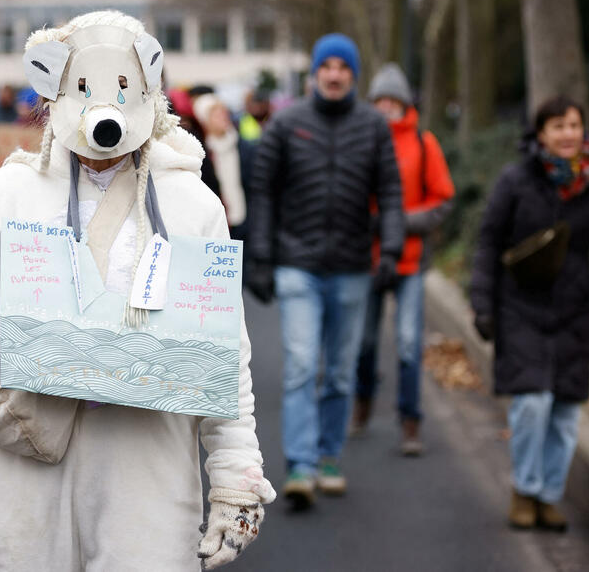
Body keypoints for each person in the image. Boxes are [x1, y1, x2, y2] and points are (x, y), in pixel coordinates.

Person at [0, 11, 275, 569]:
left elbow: (223, 356)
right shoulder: (6, 194)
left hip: (146, 463)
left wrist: (237, 481)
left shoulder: (191, 204)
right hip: (23, 455)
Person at [246, 33, 404, 510]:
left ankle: (329, 455)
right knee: (298, 365)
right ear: (315, 72)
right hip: (299, 265)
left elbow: (392, 192)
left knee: (338, 371)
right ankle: (300, 464)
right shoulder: (286, 124)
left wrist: (392, 248)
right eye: (326, 65)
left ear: (353, 74)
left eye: (343, 66)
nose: (334, 73)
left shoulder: (374, 127)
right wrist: (260, 256)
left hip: (353, 266)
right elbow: (264, 191)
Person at [470, 96, 589, 532]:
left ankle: (549, 497)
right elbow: (489, 242)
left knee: (567, 412)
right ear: (541, 134)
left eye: (573, 125)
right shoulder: (516, 180)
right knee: (532, 404)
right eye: (557, 127)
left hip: (574, 312)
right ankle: (525, 488)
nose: (567, 134)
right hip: (521, 308)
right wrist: (482, 304)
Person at [351, 63, 455, 455]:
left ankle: (410, 422)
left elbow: (443, 199)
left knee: (410, 344)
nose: (387, 108)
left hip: (410, 263)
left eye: (394, 101)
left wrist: (399, 222)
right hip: (368, 261)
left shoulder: (424, 143)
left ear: (406, 103)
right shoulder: (360, 140)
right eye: (380, 101)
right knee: (364, 342)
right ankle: (362, 405)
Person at [192, 93, 247, 238]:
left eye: (224, 113)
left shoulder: (242, 145)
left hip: (243, 218)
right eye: (216, 115)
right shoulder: (200, 152)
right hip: (218, 221)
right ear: (205, 120)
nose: (223, 118)